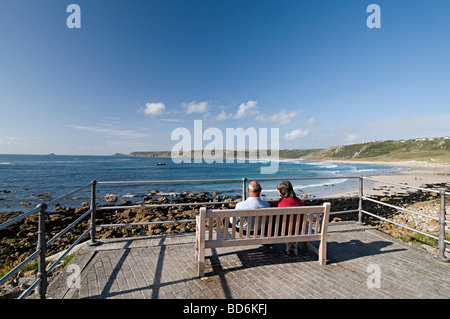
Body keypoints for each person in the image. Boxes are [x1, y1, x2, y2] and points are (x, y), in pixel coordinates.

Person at [274, 181, 304, 255]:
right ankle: (292, 246)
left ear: (281, 192)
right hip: (297, 228)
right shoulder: (298, 201)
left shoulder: (280, 203)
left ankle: (289, 246)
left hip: (284, 229)